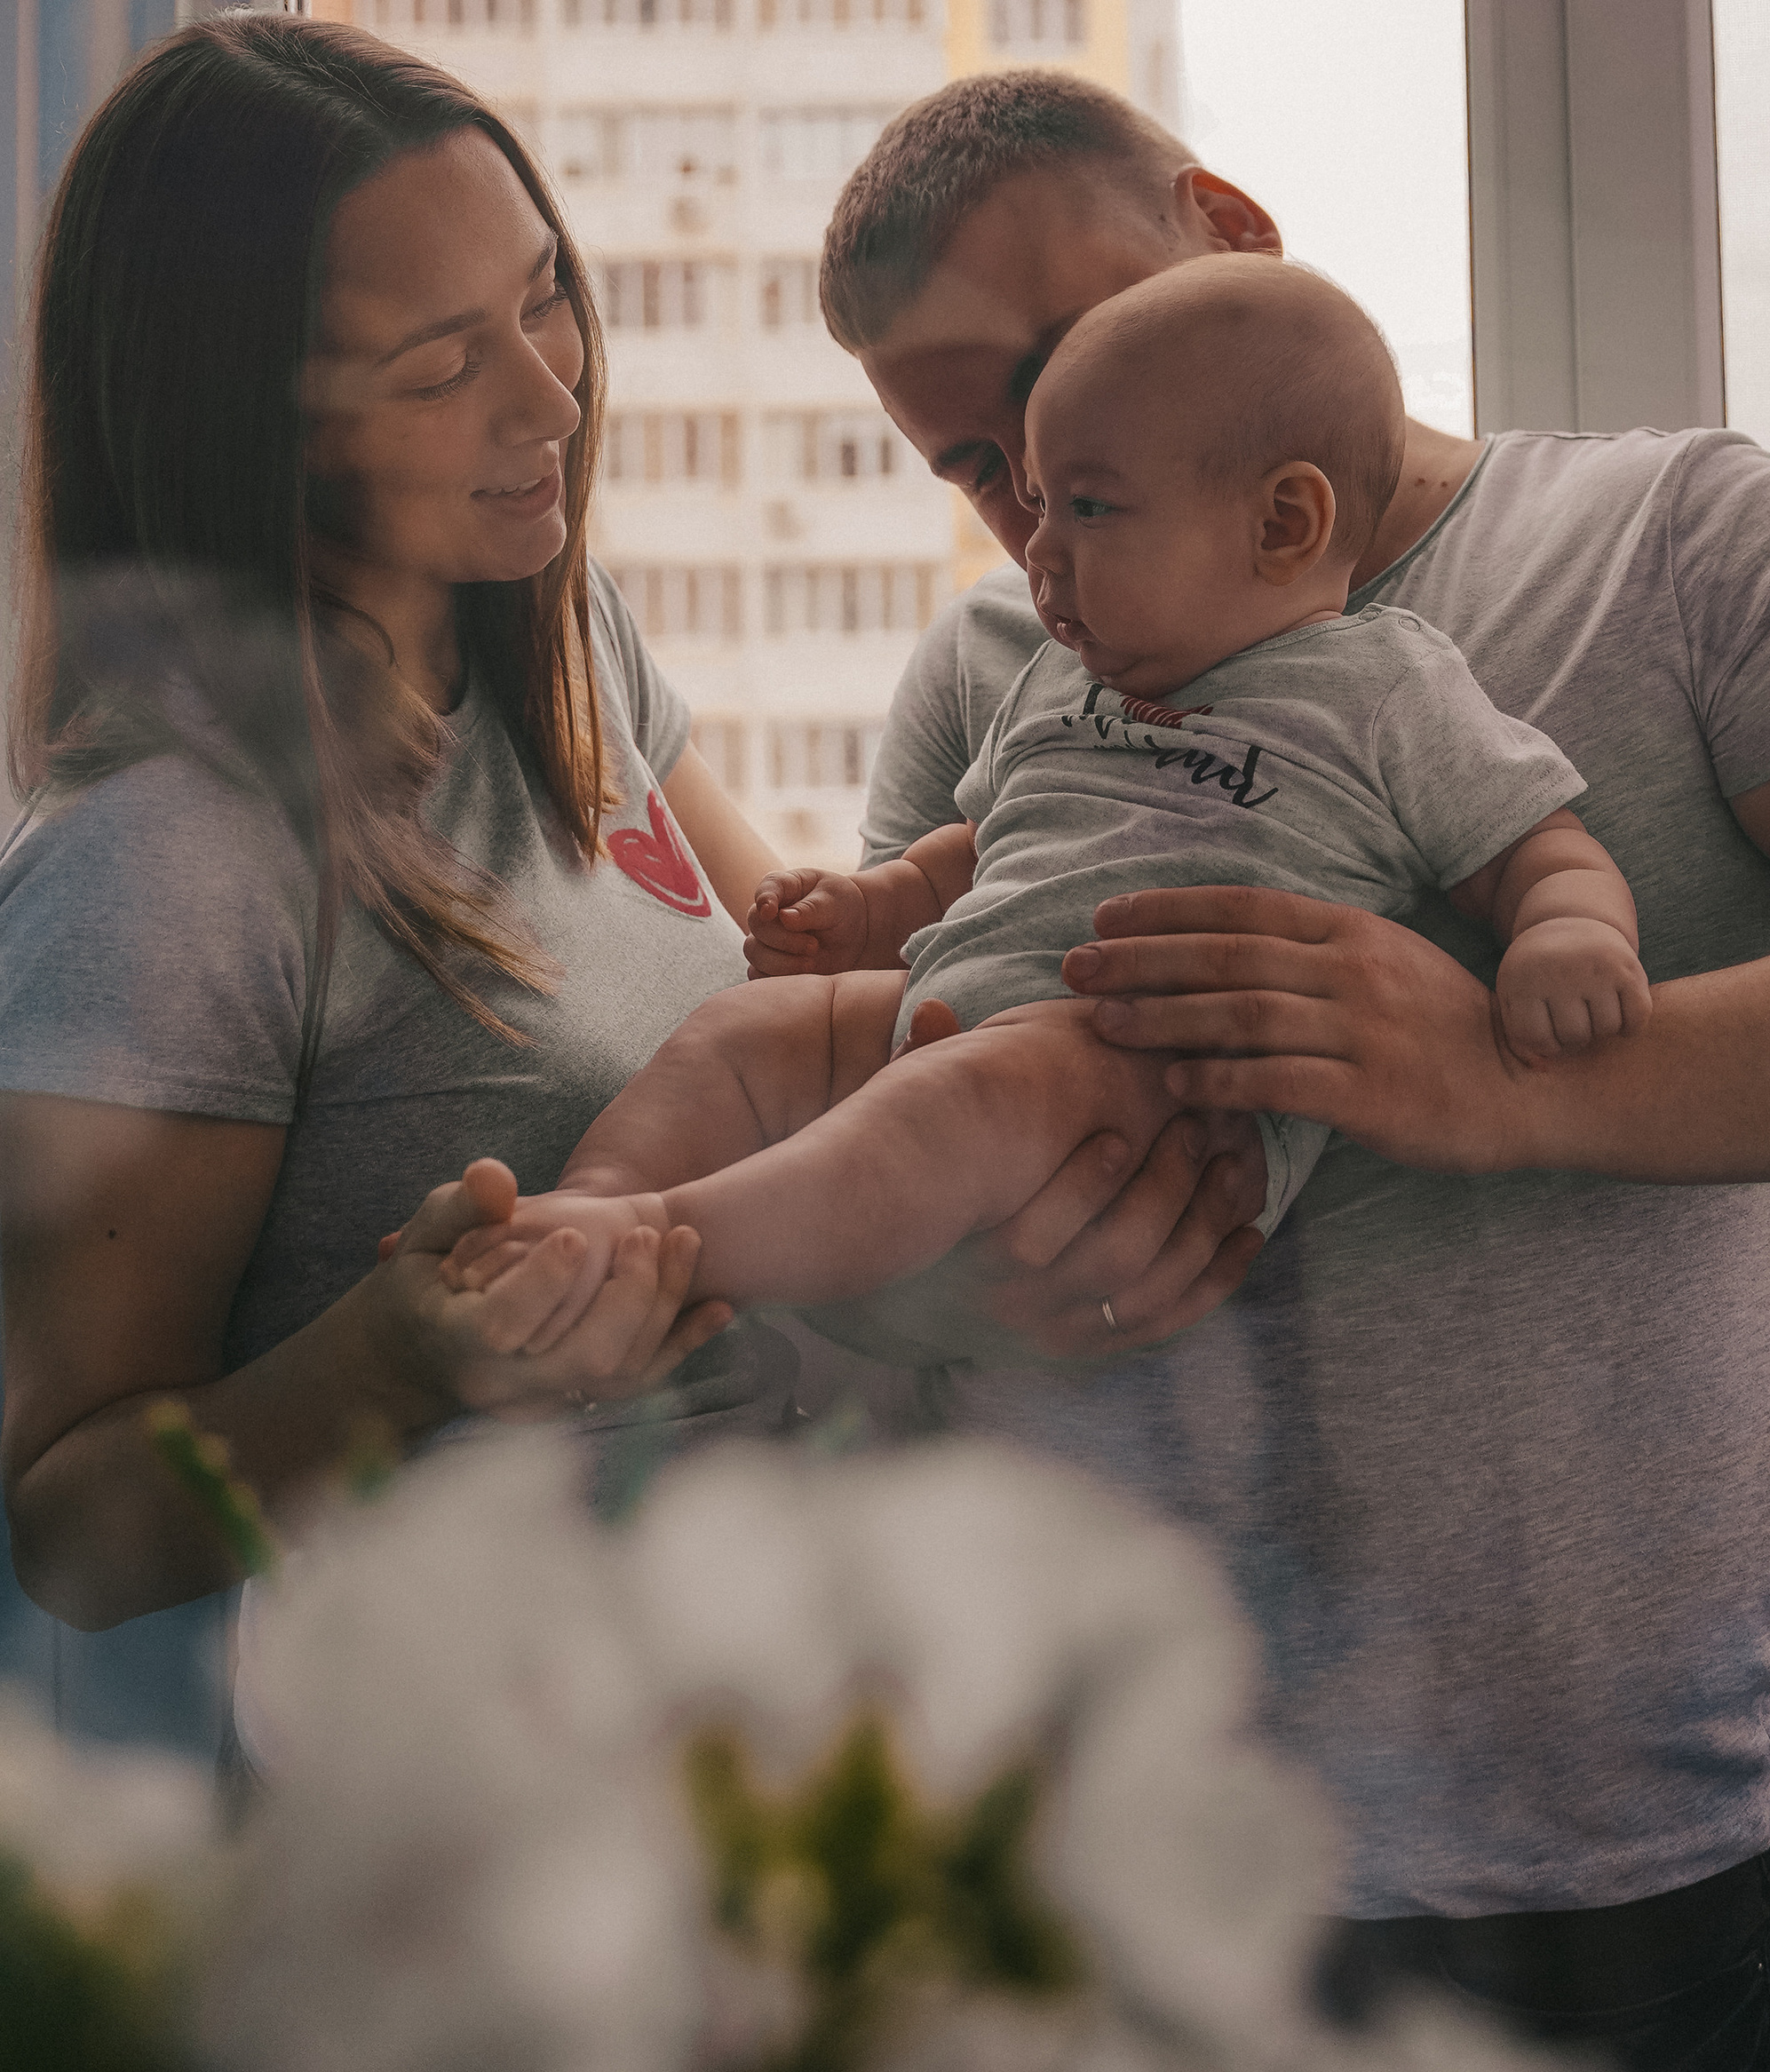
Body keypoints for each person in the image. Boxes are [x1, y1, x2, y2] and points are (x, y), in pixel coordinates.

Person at [805, 67, 1770, 2072]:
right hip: (1083, 1855)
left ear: (1229, 233)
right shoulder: (990, 674)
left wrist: (1511, 1083)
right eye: (975, 462)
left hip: (1569, 1871)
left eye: (1062, 368)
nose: (1039, 505)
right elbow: (890, 1181)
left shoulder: (1665, 544)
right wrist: (941, 1287)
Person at [0, 20, 1234, 1636]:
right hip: (481, 1750)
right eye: (440, 369)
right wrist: (399, 1363)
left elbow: (792, 1026)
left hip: (750, 1695)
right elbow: (78, 1536)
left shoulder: (562, 650)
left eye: (545, 298)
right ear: (249, 430)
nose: (551, 399)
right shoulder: (162, 863)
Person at [443, 257, 1632, 1349]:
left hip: (1153, 1067)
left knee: (959, 1099)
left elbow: (1535, 847)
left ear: (1283, 524)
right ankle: (582, 1210)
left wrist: (1571, 934)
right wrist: (873, 907)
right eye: (1036, 500)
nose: (1039, 552)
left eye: (1092, 508)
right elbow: (983, 846)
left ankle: (662, 1247)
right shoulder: (1066, 675)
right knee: (741, 1033)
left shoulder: (1384, 686)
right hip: (963, 1003)